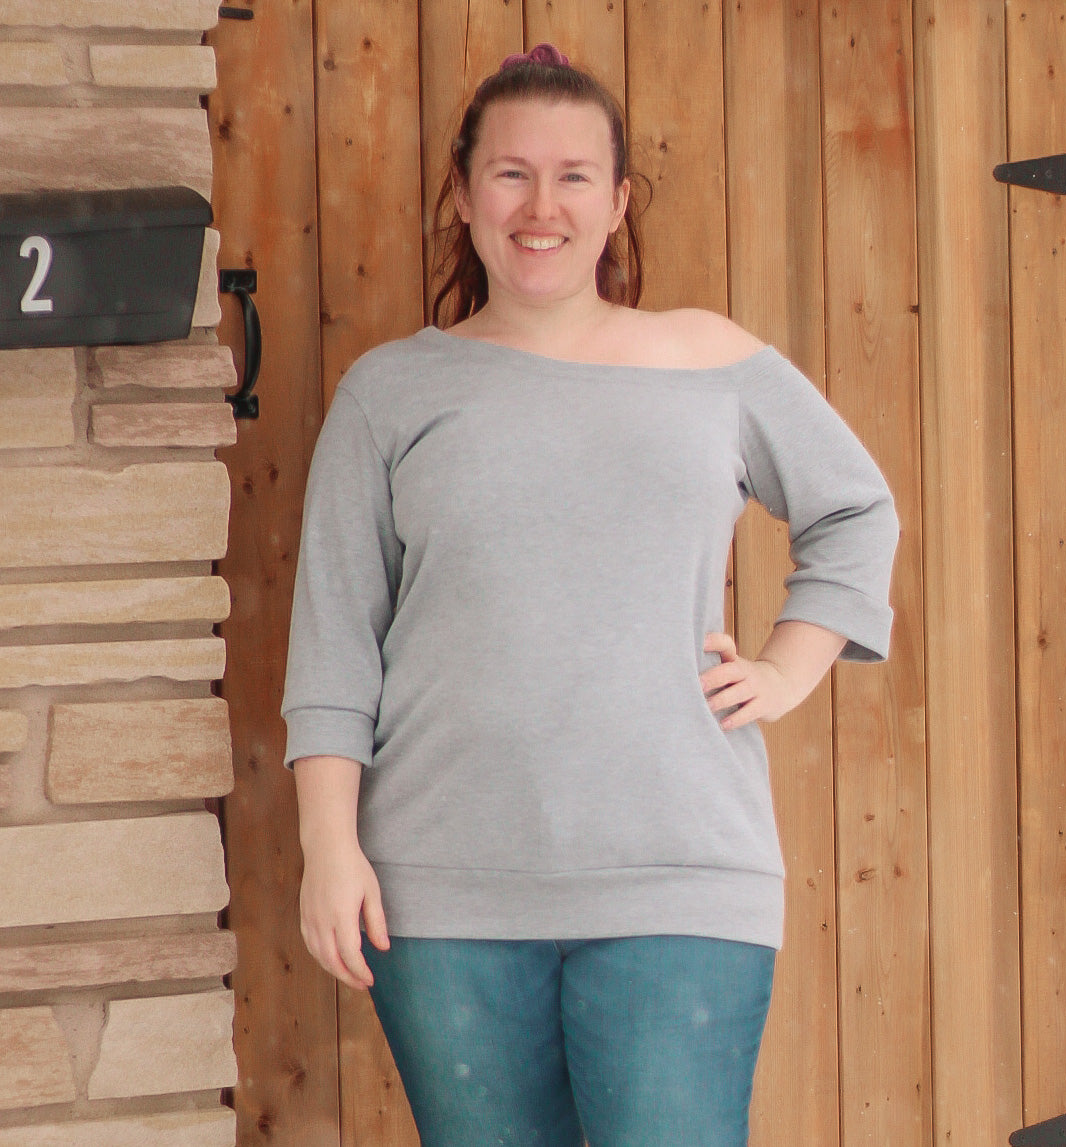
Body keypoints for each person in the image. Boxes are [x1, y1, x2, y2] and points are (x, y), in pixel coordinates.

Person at [282, 42, 898, 1147]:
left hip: (681, 875)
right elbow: (334, 644)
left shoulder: (709, 362)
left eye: (573, 176)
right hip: (444, 894)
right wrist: (330, 848)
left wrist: (786, 668)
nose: (541, 206)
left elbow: (855, 510)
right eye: (511, 173)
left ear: (615, 203)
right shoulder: (389, 392)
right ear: (464, 193)